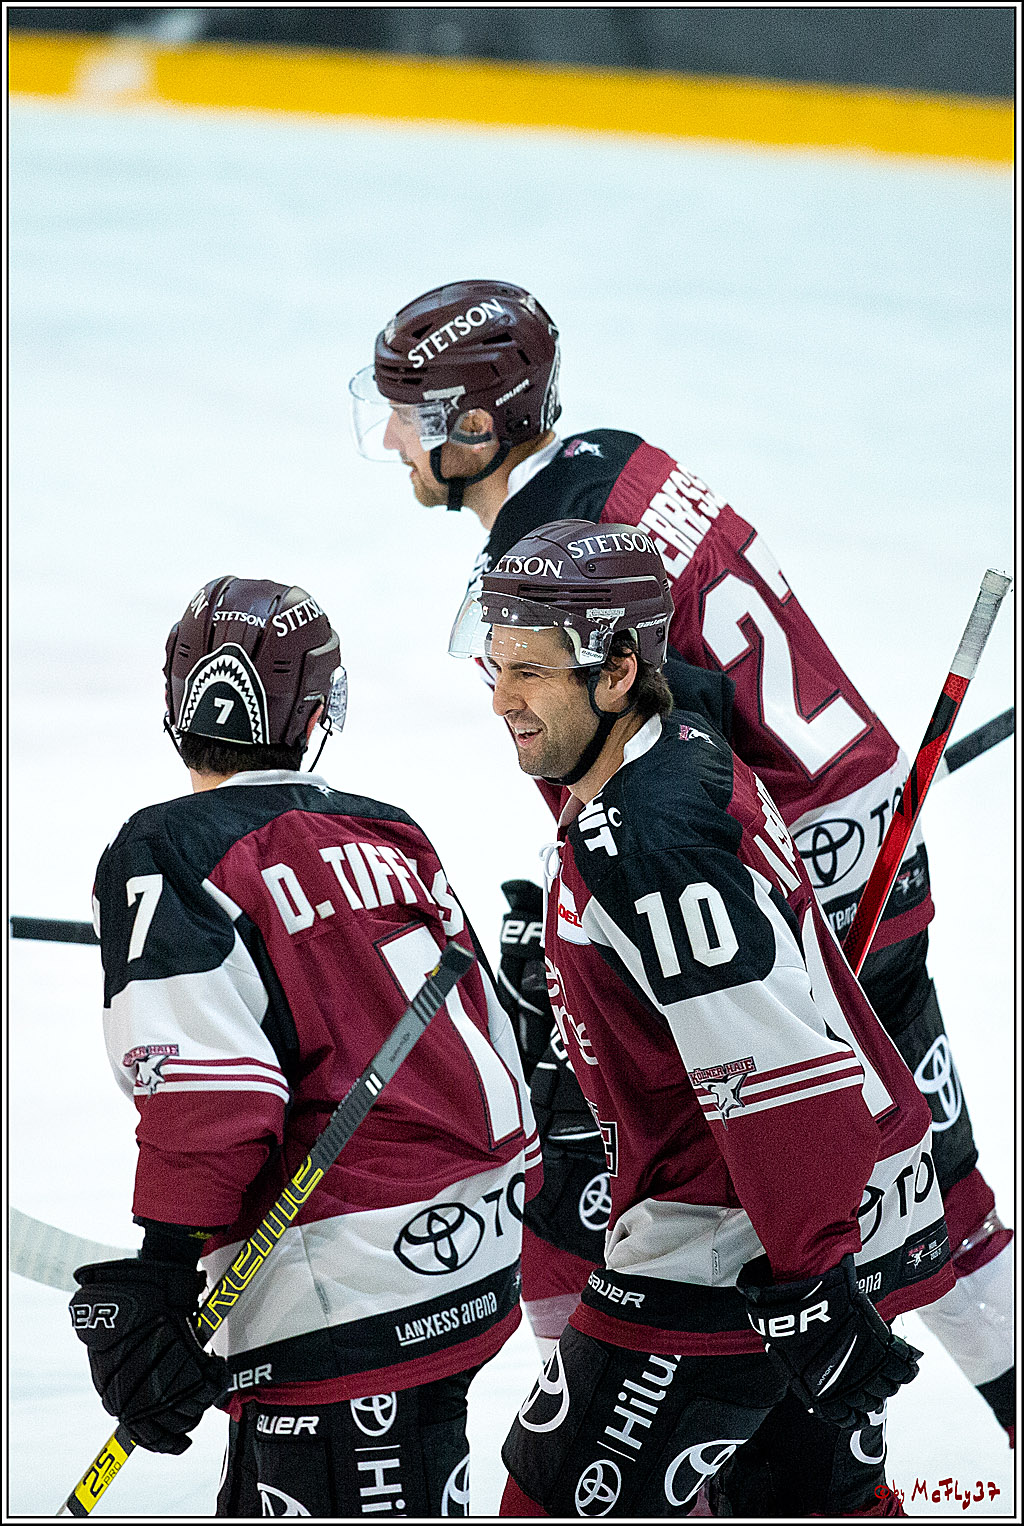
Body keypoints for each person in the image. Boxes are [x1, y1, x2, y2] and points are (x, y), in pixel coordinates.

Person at [350, 280, 1015, 1446]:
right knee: (941, 1212)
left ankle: (675, 1445)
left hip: (782, 918)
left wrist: (593, 917)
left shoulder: (543, 557)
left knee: (671, 1207)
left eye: (412, 411)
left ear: (476, 420)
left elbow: (658, 758)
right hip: (870, 863)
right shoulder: (620, 460)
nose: (393, 436)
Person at [449, 520, 953, 1517]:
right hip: (816, 1204)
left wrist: (808, 1280)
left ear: (620, 669)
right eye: (494, 663)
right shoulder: (674, 745)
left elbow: (774, 1069)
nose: (501, 696)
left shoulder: (651, 830)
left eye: (532, 671)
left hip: (745, 1239)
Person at [69, 576, 540, 1518]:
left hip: (344, 1296)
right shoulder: (392, 829)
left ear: (176, 702)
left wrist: (164, 1269)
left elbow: (213, 1097)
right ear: (318, 709)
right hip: (474, 1255)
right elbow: (492, 1029)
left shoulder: (167, 849)